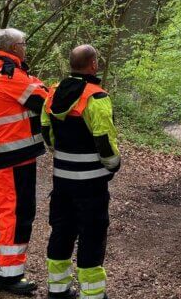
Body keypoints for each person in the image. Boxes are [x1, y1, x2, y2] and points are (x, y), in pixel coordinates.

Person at [43, 44, 120, 299]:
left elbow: (46, 130)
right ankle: (93, 294)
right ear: (93, 65)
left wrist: (62, 153)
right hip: (91, 183)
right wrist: (113, 164)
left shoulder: (53, 92)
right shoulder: (95, 97)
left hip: (62, 178)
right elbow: (104, 140)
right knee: (92, 234)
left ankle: (57, 289)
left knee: (62, 230)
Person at [0, 28, 49, 295]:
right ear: (13, 47)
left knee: (3, 206)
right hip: (12, 154)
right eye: (24, 43)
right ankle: (9, 274)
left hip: (1, 152)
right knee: (17, 212)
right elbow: (45, 101)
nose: (26, 47)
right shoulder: (8, 75)